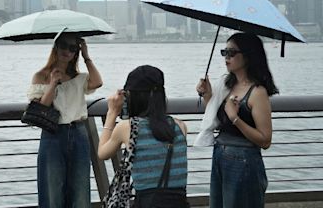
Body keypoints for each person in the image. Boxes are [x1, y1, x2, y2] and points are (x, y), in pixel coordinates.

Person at [195, 32, 278, 208]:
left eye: (232, 53)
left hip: (244, 160)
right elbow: (220, 118)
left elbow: (265, 140)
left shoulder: (257, 92)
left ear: (248, 56)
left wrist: (235, 118)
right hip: (220, 155)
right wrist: (208, 95)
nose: (227, 57)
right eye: (224, 52)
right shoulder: (225, 85)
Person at [27, 32, 103, 207]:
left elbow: (98, 82)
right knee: (52, 188)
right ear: (56, 46)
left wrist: (86, 56)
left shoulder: (78, 77)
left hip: (78, 132)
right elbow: (41, 107)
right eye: (63, 45)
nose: (67, 51)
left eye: (72, 48)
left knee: (80, 189)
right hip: (53, 134)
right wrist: (53, 83)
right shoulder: (41, 76)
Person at [98, 65, 189, 207]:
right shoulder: (179, 125)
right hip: (179, 202)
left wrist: (112, 113)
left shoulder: (128, 127)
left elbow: (102, 153)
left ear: (134, 97)